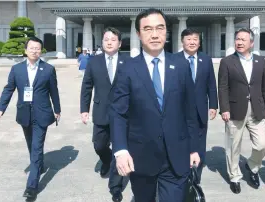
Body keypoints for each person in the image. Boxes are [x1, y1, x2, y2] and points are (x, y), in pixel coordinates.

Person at [109, 8, 200, 202]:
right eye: (148, 29)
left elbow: (190, 111)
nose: (155, 34)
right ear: (138, 34)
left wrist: (194, 148)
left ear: (166, 31)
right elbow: (118, 113)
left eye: (160, 28)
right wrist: (120, 150)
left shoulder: (181, 65)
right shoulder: (127, 68)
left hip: (176, 155)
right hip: (141, 156)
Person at [0, 36, 61, 202]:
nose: (34, 51)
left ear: (41, 50)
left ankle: (32, 186)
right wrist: (0, 108)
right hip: (24, 113)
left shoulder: (47, 69)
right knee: (31, 145)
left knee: (37, 147)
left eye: (37, 48)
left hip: (42, 113)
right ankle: (38, 164)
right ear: (25, 50)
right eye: (31, 48)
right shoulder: (16, 69)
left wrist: (57, 109)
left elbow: (54, 91)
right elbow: (8, 89)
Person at [218, 28, 265, 194]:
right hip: (235, 109)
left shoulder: (260, 61)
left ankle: (252, 166)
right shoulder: (227, 61)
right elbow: (223, 87)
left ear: (251, 43)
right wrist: (225, 109)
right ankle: (234, 176)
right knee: (233, 146)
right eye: (237, 39)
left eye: (243, 39)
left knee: (262, 144)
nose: (239, 42)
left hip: (256, 108)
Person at [80, 27, 129, 202]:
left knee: (119, 149)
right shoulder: (94, 62)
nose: (109, 42)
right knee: (99, 145)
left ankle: (115, 188)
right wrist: (84, 109)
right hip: (101, 112)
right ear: (102, 42)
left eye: (113, 39)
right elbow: (86, 86)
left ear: (120, 43)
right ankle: (106, 160)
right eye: (106, 39)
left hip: (123, 114)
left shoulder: (128, 61)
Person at [175, 28, 218, 183]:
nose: (192, 42)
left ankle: (196, 176)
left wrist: (213, 105)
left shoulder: (205, 59)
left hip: (200, 109)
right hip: (179, 110)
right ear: (182, 41)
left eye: (195, 39)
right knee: (181, 140)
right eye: (189, 39)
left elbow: (211, 84)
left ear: (199, 42)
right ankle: (181, 170)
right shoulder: (174, 59)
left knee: (199, 142)